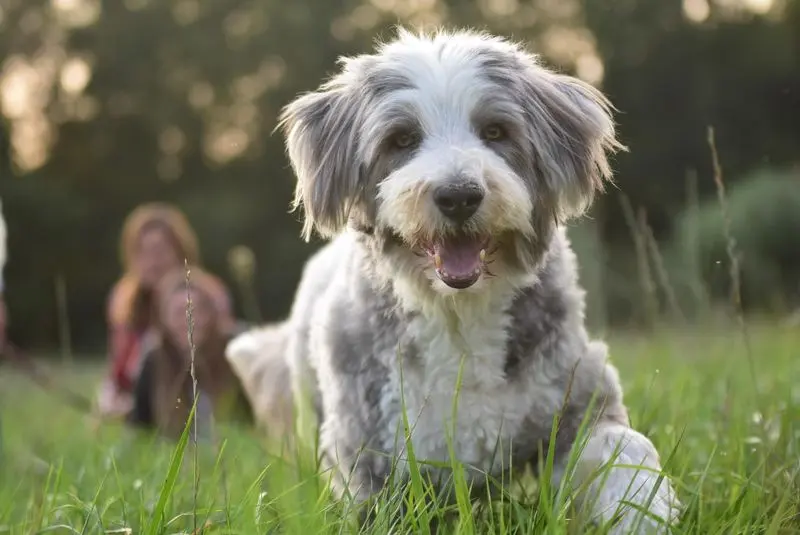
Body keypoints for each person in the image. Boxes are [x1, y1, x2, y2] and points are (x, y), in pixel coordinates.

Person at [96, 203, 220, 417]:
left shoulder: (206, 296)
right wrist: (111, 401)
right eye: (142, 252)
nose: (152, 262)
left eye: (160, 251)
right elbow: (117, 375)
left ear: (180, 252)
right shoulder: (125, 302)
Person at [127, 265, 252, 440]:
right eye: (178, 313)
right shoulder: (154, 361)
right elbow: (139, 429)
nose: (189, 321)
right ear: (165, 319)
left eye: (197, 311)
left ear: (211, 314)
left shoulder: (237, 353)